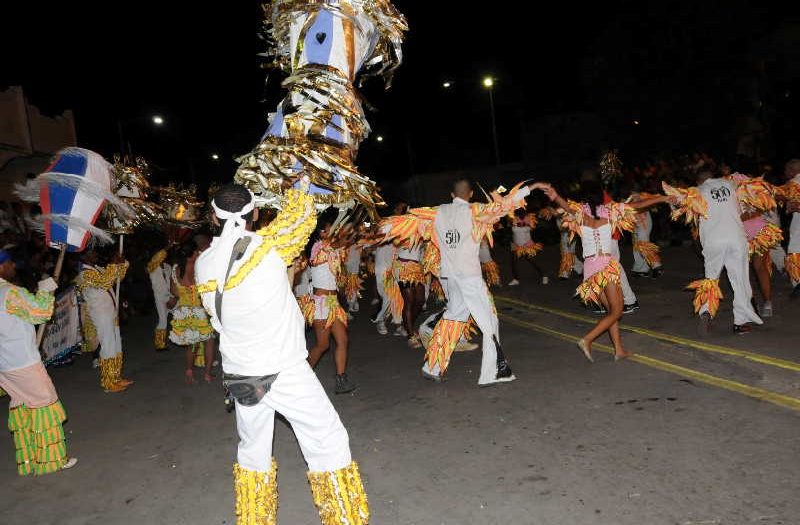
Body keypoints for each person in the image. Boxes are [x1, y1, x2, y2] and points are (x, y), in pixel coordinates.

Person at [195, 183, 368, 525]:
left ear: (213, 217)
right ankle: (344, 519)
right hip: (284, 370)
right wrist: (300, 180)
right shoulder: (270, 246)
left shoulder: (204, 263)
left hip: (240, 373)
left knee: (253, 453)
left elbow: (219, 318)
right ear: (255, 213)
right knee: (328, 441)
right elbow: (303, 212)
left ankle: (255, 519)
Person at [382, 179, 547, 385]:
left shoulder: (438, 211)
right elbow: (504, 205)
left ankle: (432, 366)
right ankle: (494, 371)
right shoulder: (474, 210)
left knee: (453, 318)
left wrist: (378, 229)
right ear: (470, 195)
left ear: (452, 195)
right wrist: (532, 187)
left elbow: (408, 222)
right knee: (489, 321)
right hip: (470, 277)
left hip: (450, 276)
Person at [542, 182, 669, 361]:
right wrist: (662, 198)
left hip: (590, 268)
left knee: (610, 310)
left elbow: (565, 206)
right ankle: (587, 339)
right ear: (601, 197)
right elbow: (637, 206)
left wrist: (555, 195)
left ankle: (618, 350)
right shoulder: (610, 211)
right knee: (617, 311)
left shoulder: (581, 214)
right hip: (606, 266)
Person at [0, 249, 78, 475]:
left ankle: (29, 459)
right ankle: (52, 460)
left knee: (22, 407)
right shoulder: (10, 293)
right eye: (10, 263)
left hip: (5, 364)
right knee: (45, 405)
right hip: (22, 361)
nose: (14, 267)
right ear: (2, 266)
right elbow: (40, 313)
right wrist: (45, 290)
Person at [665, 170, 763, 335]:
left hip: (713, 241)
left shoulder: (697, 192)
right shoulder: (731, 186)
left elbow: (679, 205)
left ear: (699, 182)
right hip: (736, 238)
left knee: (711, 279)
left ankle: (706, 311)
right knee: (740, 280)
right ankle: (740, 322)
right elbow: (746, 208)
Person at [305, 215, 357, 394]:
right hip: (321, 303)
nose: (333, 232)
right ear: (320, 232)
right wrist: (345, 216)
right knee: (323, 345)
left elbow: (344, 241)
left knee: (343, 340)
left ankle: (341, 380)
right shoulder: (318, 248)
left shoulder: (332, 249)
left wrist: (353, 223)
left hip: (333, 303)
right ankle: (300, 377)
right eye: (329, 228)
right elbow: (337, 241)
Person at [75, 248, 132, 392]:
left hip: (111, 312)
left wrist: (121, 263)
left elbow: (118, 278)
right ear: (85, 256)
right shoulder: (84, 274)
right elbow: (104, 282)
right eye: (93, 252)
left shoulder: (98, 269)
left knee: (116, 345)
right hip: (101, 314)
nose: (96, 254)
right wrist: (113, 264)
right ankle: (108, 383)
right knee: (108, 346)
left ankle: (116, 377)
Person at [169, 241, 215, 383]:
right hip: (199, 311)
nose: (197, 254)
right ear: (191, 254)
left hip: (184, 312)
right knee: (209, 342)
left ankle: (189, 371)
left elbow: (173, 291)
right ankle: (207, 374)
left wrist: (183, 293)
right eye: (196, 252)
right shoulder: (196, 268)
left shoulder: (176, 269)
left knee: (191, 344)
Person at [507, 208, 545, 286]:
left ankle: (544, 276)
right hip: (517, 246)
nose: (520, 214)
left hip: (527, 245)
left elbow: (532, 226)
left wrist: (522, 223)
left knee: (533, 261)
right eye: (518, 212)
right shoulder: (513, 218)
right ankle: (516, 279)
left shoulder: (529, 218)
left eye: (522, 212)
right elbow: (510, 224)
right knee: (513, 262)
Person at [146, 244, 173, 350]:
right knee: (163, 320)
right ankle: (160, 344)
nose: (164, 255)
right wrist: (168, 246)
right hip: (160, 297)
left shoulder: (168, 266)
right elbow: (156, 258)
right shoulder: (152, 266)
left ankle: (183, 338)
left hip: (170, 296)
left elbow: (170, 282)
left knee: (180, 314)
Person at [780, 159, 800, 298]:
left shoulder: (794, 183)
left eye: (787, 170)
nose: (785, 173)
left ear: (792, 171)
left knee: (794, 253)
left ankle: (797, 284)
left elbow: (792, 205)